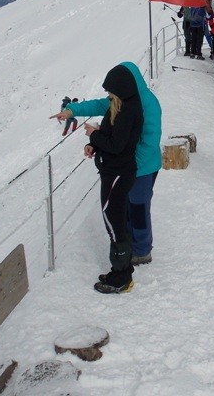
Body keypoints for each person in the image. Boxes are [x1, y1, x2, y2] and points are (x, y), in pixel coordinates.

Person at [55, 62, 162, 266]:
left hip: (144, 167)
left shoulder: (149, 104)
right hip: (127, 167)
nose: (110, 95)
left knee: (138, 208)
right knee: (126, 207)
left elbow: (149, 142)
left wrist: (130, 167)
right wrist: (71, 111)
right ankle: (131, 243)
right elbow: (97, 105)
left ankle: (142, 251)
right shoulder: (121, 97)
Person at [50, 64, 143, 293]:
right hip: (115, 170)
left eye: (111, 92)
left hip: (117, 173)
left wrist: (94, 135)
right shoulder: (120, 107)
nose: (108, 95)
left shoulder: (127, 110)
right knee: (117, 221)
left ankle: (121, 277)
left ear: (120, 90)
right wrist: (93, 144)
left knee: (114, 223)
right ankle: (121, 270)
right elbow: (111, 137)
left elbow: (116, 145)